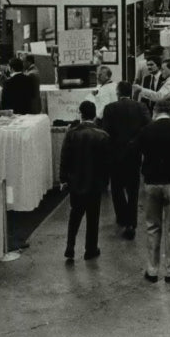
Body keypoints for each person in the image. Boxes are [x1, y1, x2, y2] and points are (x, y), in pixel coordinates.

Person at [137, 98, 170, 283]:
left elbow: (138, 152)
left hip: (152, 183)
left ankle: (152, 270)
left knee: (152, 226)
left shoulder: (146, 130)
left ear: (155, 111)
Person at [60, 100, 111, 261]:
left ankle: (70, 246)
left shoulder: (72, 133)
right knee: (93, 217)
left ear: (81, 114)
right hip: (95, 184)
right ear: (95, 115)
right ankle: (90, 249)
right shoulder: (103, 135)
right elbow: (106, 163)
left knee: (74, 215)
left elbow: (64, 158)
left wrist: (63, 179)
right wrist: (105, 182)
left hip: (76, 183)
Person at [101, 81, 151, 239]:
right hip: (134, 154)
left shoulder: (110, 108)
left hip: (116, 154)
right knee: (133, 189)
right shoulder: (141, 107)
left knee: (116, 188)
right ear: (131, 92)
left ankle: (122, 217)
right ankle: (131, 223)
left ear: (117, 92)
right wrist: (136, 141)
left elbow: (105, 132)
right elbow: (148, 127)